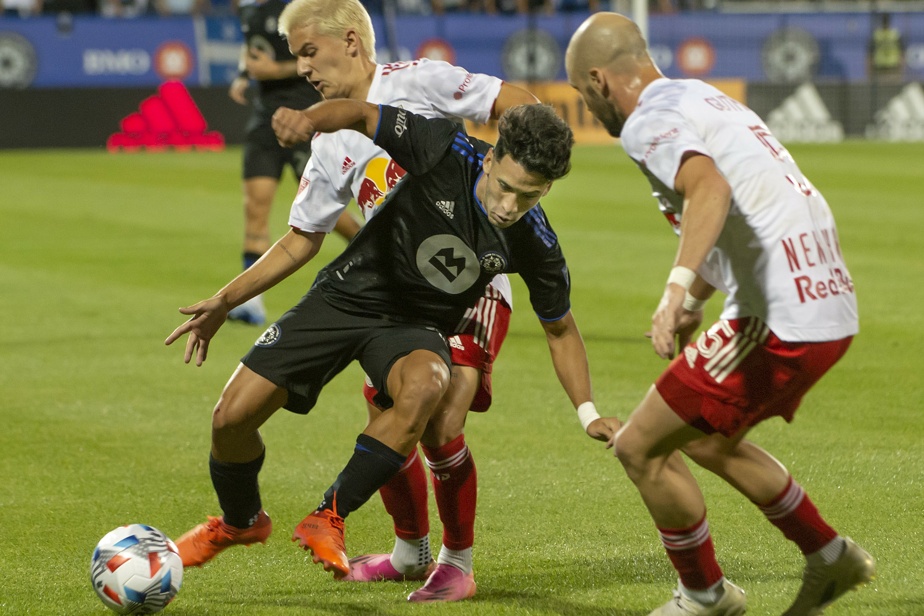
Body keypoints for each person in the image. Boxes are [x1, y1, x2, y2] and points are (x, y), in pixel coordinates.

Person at [167, 100, 619, 601]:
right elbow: (362, 115)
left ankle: (330, 515)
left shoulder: (535, 242)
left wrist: (588, 412)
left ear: (547, 189)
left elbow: (560, 330)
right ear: (491, 160)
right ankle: (241, 521)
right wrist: (308, 122)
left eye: (529, 196)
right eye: (506, 187)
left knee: (428, 387)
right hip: (344, 297)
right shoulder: (444, 147)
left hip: (414, 327)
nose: (509, 207)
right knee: (231, 418)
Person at [565, 13, 874, 616]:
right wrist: (703, 298)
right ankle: (830, 555)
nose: (587, 104)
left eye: (582, 92)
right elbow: (739, 208)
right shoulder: (703, 98)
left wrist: (675, 291)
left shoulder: (646, 123)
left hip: (781, 317)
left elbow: (710, 189)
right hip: (825, 299)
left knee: (639, 447)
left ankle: (706, 597)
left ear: (600, 80)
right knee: (707, 439)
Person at [266, 0, 547, 601]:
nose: (303, 69)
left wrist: (526, 167)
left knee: (441, 423)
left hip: (472, 282)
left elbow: (516, 103)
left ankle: (459, 562)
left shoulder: (420, 81)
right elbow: (304, 235)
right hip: (397, 297)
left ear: (349, 39)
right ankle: (410, 551)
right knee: (389, 415)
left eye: (308, 52)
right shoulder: (328, 141)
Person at [226, 0, 361, 326]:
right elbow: (255, 50)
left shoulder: (300, 10)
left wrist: (276, 71)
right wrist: (245, 74)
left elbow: (319, 56)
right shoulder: (249, 11)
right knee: (255, 209)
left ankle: (383, 253)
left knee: (333, 214)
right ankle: (251, 304)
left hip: (305, 118)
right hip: (264, 122)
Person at [868, 13, 905, 83]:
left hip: (880, 69)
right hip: (892, 69)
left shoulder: (876, 35)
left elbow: (870, 56)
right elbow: (901, 54)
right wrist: (901, 71)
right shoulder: (895, 34)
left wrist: (869, 73)